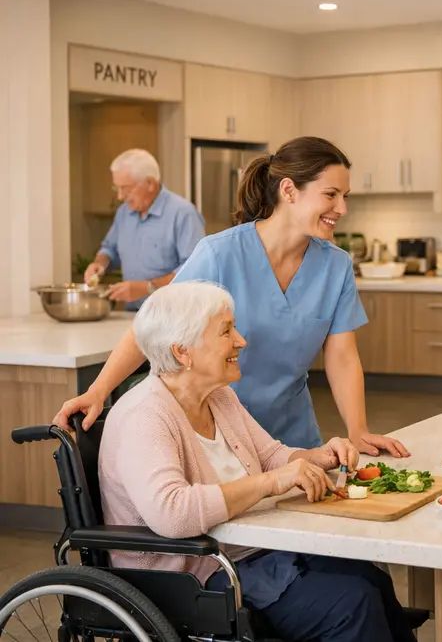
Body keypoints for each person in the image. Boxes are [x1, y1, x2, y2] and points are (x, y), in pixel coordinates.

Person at [98, 281, 416, 642]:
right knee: (352, 604)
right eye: (226, 331)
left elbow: (269, 456)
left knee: (369, 576)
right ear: (182, 352)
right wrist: (272, 481)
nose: (241, 341)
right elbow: (172, 512)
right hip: (194, 577)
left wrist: (319, 457)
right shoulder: (146, 415)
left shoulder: (219, 397)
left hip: (249, 554)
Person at [57, 136, 408, 457]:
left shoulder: (336, 265)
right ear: (289, 190)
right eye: (330, 195)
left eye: (344, 197)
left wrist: (358, 429)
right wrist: (98, 391)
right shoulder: (219, 253)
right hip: (217, 437)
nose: (341, 209)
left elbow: (342, 356)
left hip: (292, 436)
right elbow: (150, 328)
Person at [84, 148, 204, 310]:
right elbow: (110, 249)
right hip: (133, 316)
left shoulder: (183, 214)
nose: (120, 196)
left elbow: (194, 271)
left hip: (173, 320)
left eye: (126, 188)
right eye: (117, 188)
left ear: (150, 183)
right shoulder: (124, 213)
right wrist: (100, 264)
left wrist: (147, 288)